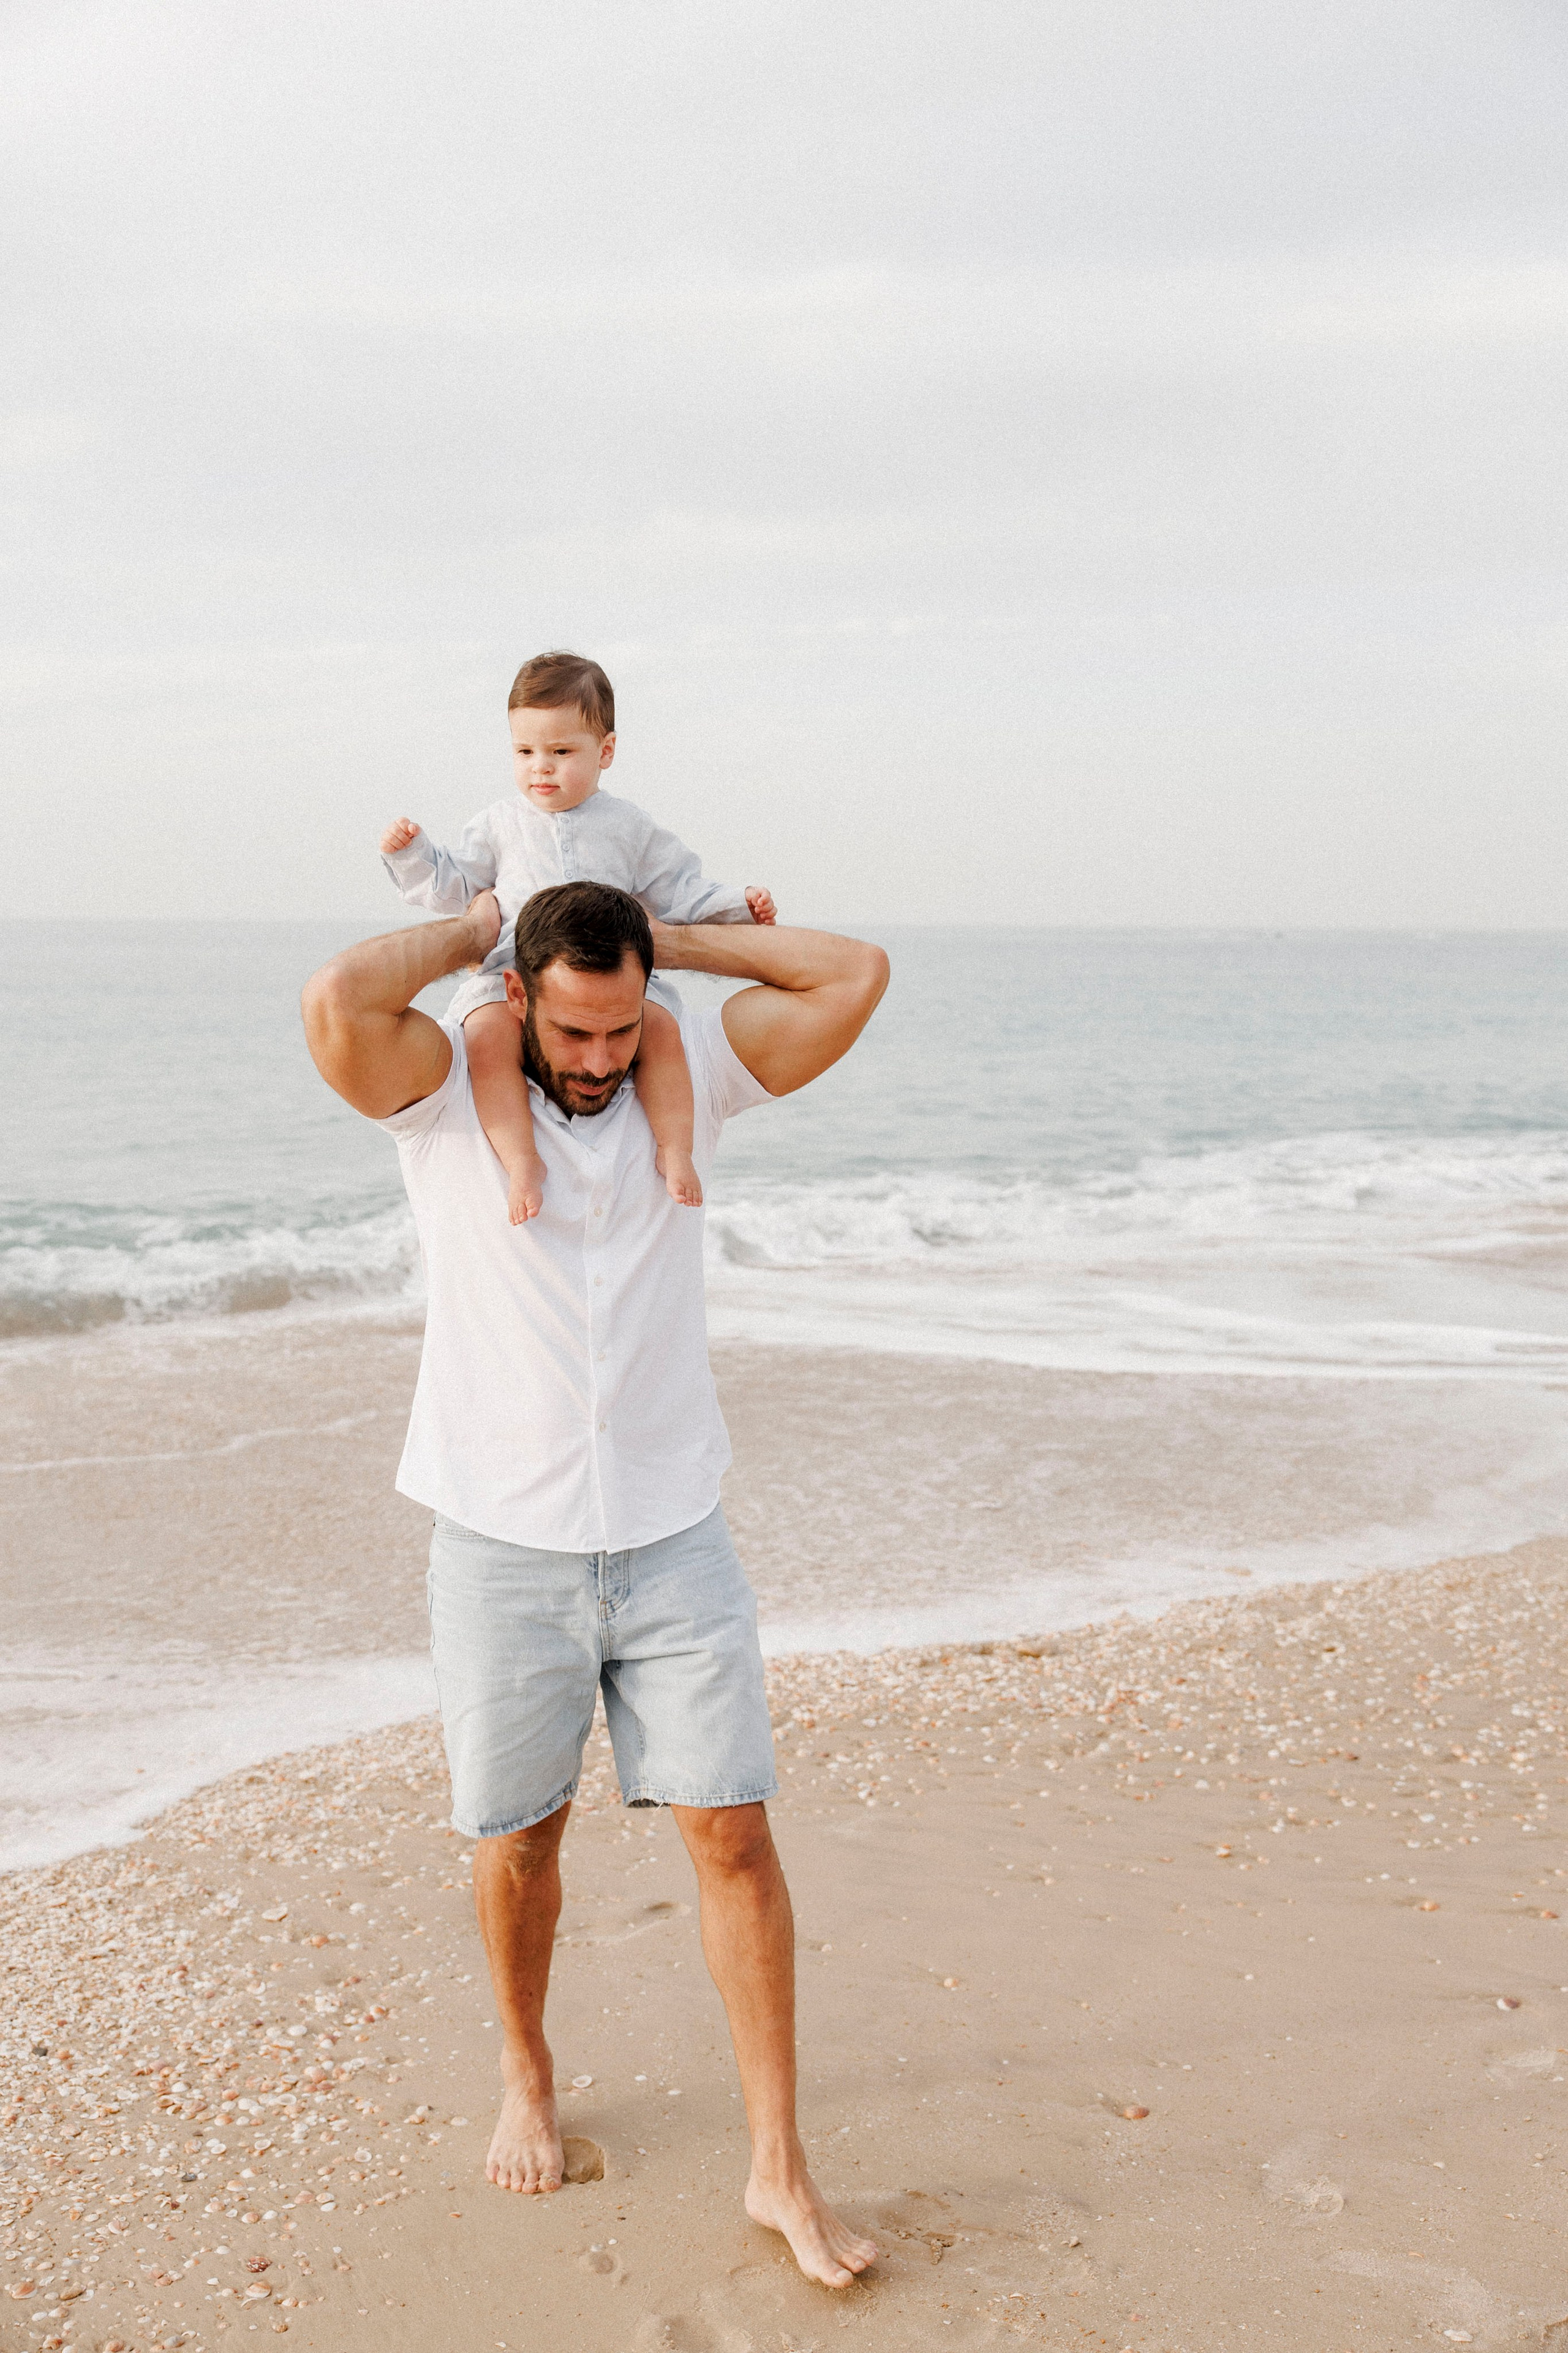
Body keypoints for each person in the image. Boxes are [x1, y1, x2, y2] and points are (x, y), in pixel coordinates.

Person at [300, 874, 889, 2288]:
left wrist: (666, 942)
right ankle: (527, 2064)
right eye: (571, 1033)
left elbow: (852, 971)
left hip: (675, 1534)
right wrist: (470, 937)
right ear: (520, 1005)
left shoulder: (685, 1088)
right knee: (518, 1842)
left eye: (621, 1029)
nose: (597, 1060)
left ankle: (777, 2164)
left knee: (735, 1837)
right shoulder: (447, 1098)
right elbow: (336, 1002)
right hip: (501, 1545)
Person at [380, 648, 776, 1221]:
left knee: (662, 1031)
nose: (541, 767)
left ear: (605, 752)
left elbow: (678, 887)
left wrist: (735, 907)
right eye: (525, 751)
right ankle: (521, 1160)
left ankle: (676, 1147)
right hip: (513, 967)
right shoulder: (500, 822)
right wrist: (415, 854)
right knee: (486, 1039)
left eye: (561, 752)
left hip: (613, 971)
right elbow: (455, 886)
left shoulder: (628, 826)